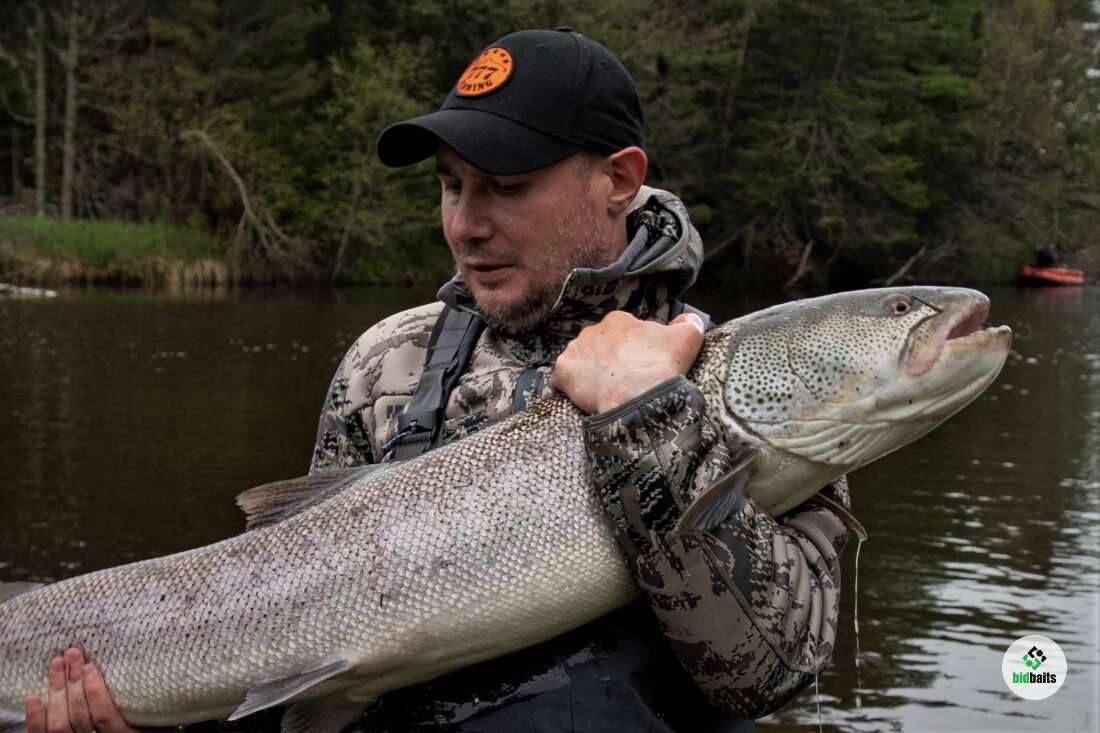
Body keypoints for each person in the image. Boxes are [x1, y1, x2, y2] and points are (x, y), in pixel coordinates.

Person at [27, 28, 853, 733]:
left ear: (619, 178)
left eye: (506, 187)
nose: (465, 224)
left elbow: (767, 670)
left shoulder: (752, 391)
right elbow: (285, 652)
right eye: (451, 185)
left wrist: (650, 417)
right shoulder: (385, 363)